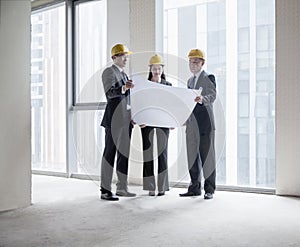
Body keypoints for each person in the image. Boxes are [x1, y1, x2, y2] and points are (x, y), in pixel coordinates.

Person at [100, 44, 136, 201]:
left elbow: (128, 100)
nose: (125, 58)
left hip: (126, 120)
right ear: (114, 58)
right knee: (110, 154)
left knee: (124, 154)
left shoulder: (125, 75)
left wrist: (133, 116)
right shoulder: (109, 72)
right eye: (122, 55)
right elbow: (109, 92)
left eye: (126, 56)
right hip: (114, 120)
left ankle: (122, 187)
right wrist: (123, 88)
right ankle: (105, 190)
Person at [179, 49, 216, 200]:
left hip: (205, 124)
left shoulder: (209, 77)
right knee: (192, 156)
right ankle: (194, 188)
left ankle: (209, 189)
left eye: (195, 62)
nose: (192, 64)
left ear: (202, 63)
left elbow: (212, 95)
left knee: (207, 157)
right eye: (190, 61)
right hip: (192, 124)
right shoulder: (189, 81)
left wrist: (202, 99)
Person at [141, 54, 172, 196]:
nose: (157, 71)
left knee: (163, 154)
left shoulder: (168, 86)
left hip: (163, 123)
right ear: (150, 69)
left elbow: (172, 106)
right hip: (146, 122)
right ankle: (150, 187)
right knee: (148, 154)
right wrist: (139, 119)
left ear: (162, 69)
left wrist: (172, 122)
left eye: (159, 68)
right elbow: (140, 104)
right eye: (154, 68)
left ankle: (162, 187)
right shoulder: (144, 85)